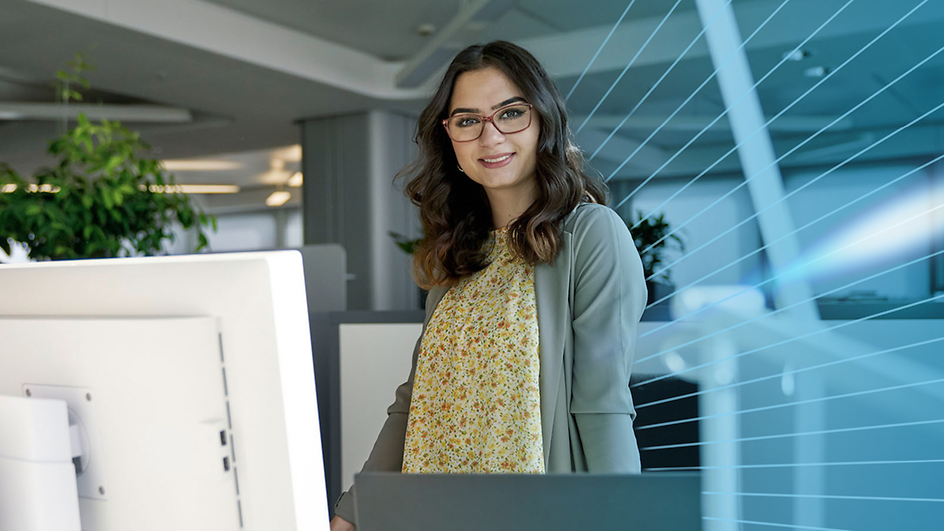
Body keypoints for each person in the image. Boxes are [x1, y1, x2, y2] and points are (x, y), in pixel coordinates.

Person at [330, 40, 647, 530]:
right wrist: (352, 512)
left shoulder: (590, 234)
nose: (490, 136)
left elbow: (602, 402)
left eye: (510, 113)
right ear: (450, 138)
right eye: (467, 120)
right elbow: (415, 400)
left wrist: (626, 519)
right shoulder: (459, 252)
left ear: (543, 120)